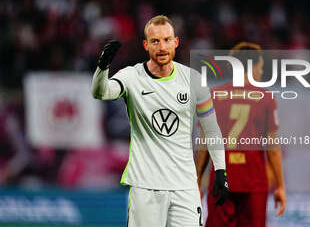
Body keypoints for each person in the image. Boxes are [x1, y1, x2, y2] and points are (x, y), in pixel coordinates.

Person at [91, 15, 229, 227]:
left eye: (166, 40)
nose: (162, 46)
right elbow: (101, 93)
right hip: (146, 187)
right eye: (155, 41)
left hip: (184, 187)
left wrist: (220, 170)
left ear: (175, 42)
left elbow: (212, 130)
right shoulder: (131, 76)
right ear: (146, 45)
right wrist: (102, 68)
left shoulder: (193, 80)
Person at [196, 42, 286, 227]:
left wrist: (197, 181)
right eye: (260, 67)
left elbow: (205, 143)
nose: (261, 73)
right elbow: (273, 147)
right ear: (253, 66)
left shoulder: (213, 95)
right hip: (254, 182)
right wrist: (280, 185)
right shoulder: (265, 98)